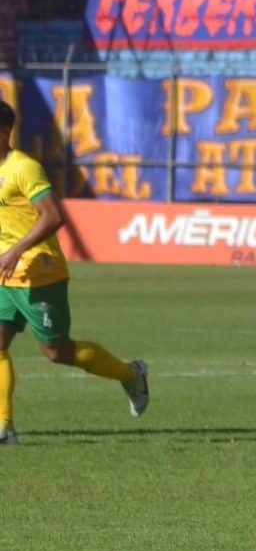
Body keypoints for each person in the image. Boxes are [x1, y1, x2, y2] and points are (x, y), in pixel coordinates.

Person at [0, 99, 149, 441]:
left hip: (40, 273)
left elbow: (53, 216)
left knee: (57, 352)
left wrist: (15, 251)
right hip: (4, 275)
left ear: (5, 132)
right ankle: (5, 427)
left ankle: (131, 373)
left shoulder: (24, 167)